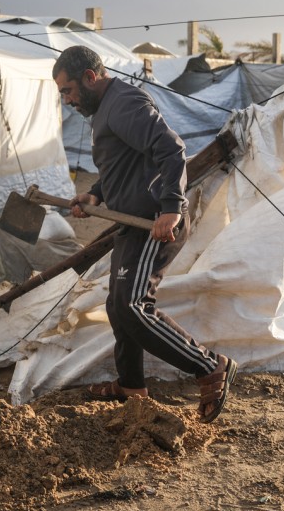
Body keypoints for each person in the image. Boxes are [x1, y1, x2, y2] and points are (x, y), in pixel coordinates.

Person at [53, 45, 237, 424]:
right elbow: (126, 161)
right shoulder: (105, 108)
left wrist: (170, 207)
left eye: (67, 90)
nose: (66, 100)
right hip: (130, 220)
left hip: (153, 223)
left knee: (134, 307)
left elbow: (170, 149)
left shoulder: (123, 103)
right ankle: (132, 386)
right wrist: (96, 193)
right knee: (119, 307)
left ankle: (210, 367)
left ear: (90, 77)